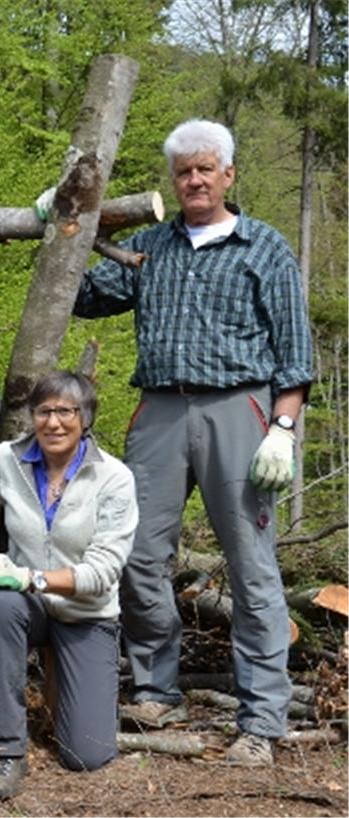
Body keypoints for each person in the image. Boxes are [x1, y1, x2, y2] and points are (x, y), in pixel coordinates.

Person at [70, 119, 312, 766]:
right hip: (160, 412)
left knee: (251, 564)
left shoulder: (265, 248)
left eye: (207, 168)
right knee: (138, 554)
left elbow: (296, 355)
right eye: (184, 171)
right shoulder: (152, 247)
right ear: (172, 181)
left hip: (241, 409)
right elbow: (80, 296)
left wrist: (282, 430)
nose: (195, 180)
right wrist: (68, 222)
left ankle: (262, 719)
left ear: (229, 174)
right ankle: (157, 690)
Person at [0, 372, 136, 800]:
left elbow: (103, 572)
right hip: (29, 606)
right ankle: (5, 752)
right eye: (44, 411)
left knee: (87, 755)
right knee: (2, 605)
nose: (53, 423)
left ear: (85, 419)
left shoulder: (114, 478)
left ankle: (68, 702)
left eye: (66, 411)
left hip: (87, 615)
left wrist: (31, 576)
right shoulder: (6, 459)